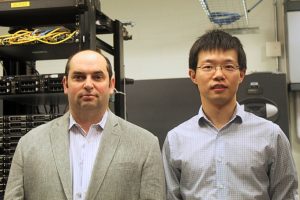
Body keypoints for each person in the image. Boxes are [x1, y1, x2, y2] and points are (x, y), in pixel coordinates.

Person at [4, 49, 166, 200]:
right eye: (79, 77)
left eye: (97, 77)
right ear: (66, 84)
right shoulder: (29, 144)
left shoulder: (145, 145)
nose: (88, 85)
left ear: (111, 84)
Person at [162, 30, 298, 199]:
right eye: (208, 67)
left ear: (241, 74)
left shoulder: (271, 135)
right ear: (193, 75)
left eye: (228, 66)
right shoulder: (176, 140)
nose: (218, 75)